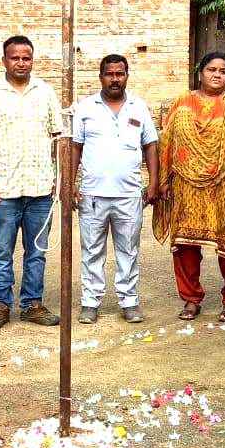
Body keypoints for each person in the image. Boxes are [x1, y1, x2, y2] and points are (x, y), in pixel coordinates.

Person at [154, 52, 225, 322]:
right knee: (185, 245)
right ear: (200, 73)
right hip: (186, 186)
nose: (217, 75)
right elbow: (166, 142)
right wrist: (163, 181)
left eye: (223, 71)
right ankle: (191, 299)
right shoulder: (182, 102)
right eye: (211, 69)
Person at [0, 35, 63, 330]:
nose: (21, 63)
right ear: (4, 60)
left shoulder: (45, 92)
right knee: (3, 250)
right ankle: (0, 305)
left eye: (26, 58)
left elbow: (58, 137)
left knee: (36, 251)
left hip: (40, 188)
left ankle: (32, 304)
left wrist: (57, 177)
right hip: (5, 189)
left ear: (32, 60)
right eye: (15, 58)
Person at [73, 54, 160, 324]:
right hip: (92, 194)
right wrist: (71, 183)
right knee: (91, 250)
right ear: (101, 77)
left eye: (119, 74)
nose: (115, 79)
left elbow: (150, 145)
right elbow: (75, 147)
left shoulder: (138, 107)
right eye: (109, 74)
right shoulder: (86, 108)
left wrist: (153, 182)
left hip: (129, 194)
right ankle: (90, 302)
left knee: (129, 250)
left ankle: (129, 301)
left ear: (126, 76)